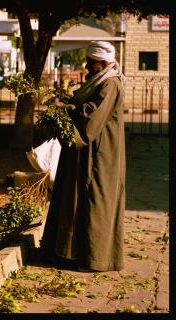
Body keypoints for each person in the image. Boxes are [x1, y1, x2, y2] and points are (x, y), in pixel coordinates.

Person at [41, 41, 126, 272]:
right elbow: (84, 104)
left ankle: (94, 259)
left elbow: (91, 117)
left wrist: (65, 109)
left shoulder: (111, 84)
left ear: (104, 62)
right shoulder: (99, 80)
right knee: (74, 199)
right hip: (84, 154)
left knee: (95, 202)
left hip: (99, 155)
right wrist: (67, 102)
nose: (87, 66)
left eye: (91, 62)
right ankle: (69, 253)